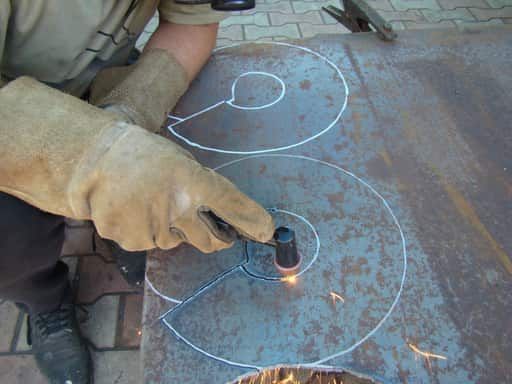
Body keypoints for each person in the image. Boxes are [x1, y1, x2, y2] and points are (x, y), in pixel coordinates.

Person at [0, 1, 274, 383]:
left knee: (170, 137)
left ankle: (117, 226)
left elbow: (190, 24)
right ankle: (44, 300)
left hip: (101, 77)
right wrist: (96, 153)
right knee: (9, 236)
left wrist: (132, 111)